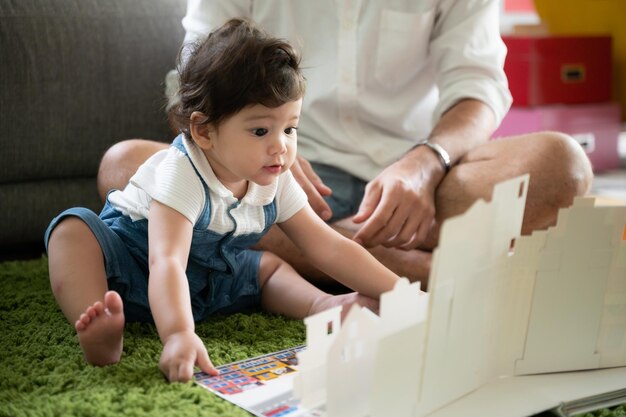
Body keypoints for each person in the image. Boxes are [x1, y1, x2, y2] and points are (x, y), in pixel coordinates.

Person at [98, 1, 593, 286]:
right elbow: (187, 80)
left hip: (422, 186)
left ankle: (317, 253)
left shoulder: (426, 169)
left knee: (564, 164)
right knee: (125, 168)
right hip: (268, 179)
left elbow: (479, 89)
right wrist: (267, 151)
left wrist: (427, 162)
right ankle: (416, 270)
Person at [46, 18, 400, 383]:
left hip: (209, 280)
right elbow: (166, 260)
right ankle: (98, 319)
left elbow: (329, 247)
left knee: (267, 267)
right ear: (204, 131)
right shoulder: (182, 172)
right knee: (72, 229)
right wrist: (180, 333)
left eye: (290, 128)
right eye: (261, 130)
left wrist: (401, 295)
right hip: (128, 271)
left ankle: (320, 303)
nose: (281, 145)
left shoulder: (274, 175)